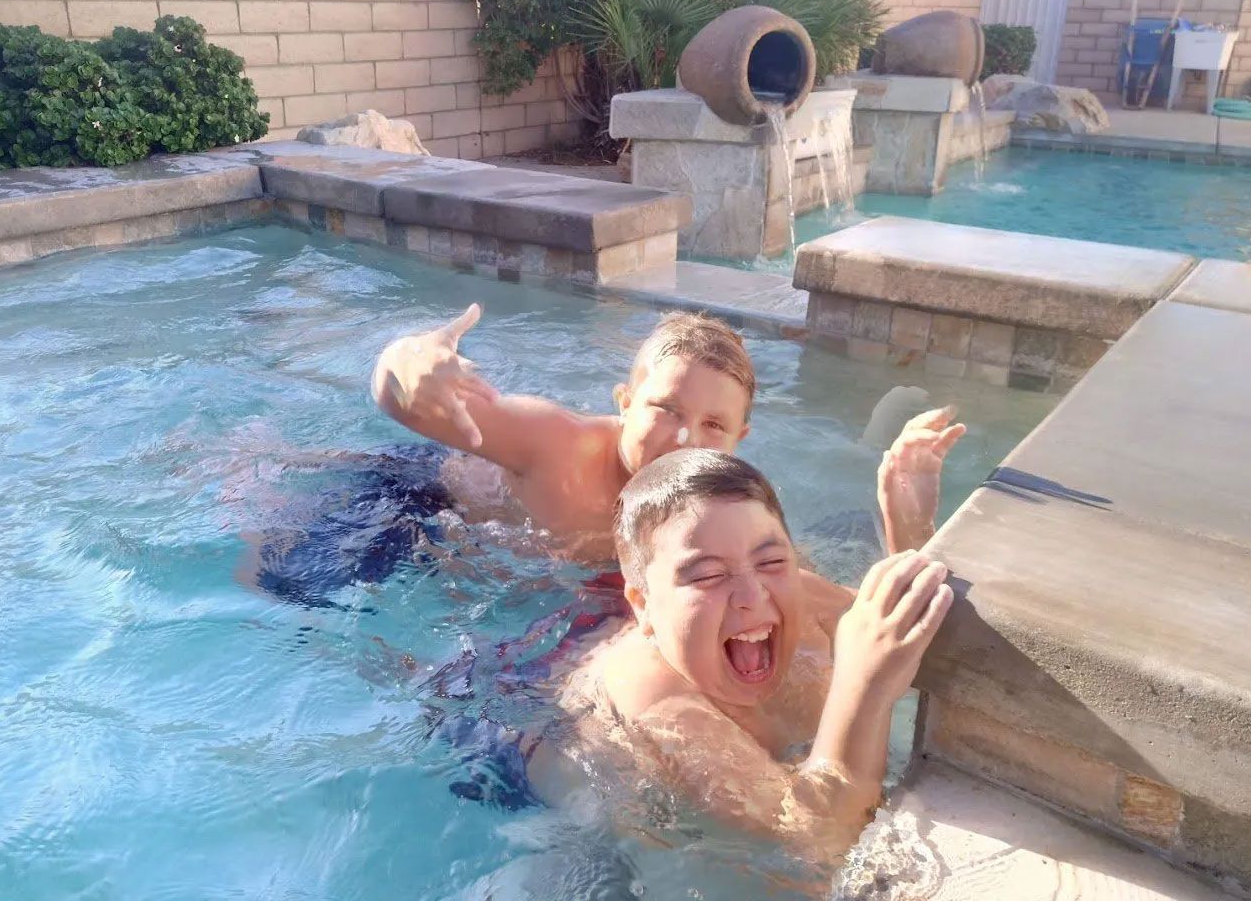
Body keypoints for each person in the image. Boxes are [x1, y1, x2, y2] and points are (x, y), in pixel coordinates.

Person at [553, 448, 952, 870]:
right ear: (643, 604)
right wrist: (864, 685)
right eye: (707, 574)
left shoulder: (804, 596)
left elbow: (898, 639)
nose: (753, 596)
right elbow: (818, 843)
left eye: (772, 560)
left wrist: (910, 537)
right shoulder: (650, 698)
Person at [368, 304, 965, 565]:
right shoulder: (557, 443)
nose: (686, 441)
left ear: (740, 439)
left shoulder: (727, 501)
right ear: (624, 404)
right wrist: (409, 360)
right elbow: (399, 398)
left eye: (713, 425)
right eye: (665, 409)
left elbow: (807, 601)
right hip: (414, 505)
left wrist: (905, 531)